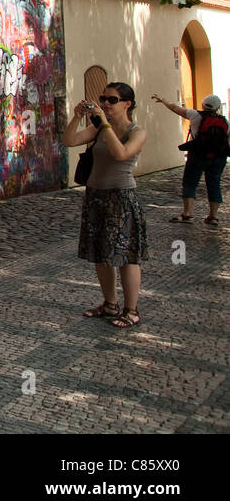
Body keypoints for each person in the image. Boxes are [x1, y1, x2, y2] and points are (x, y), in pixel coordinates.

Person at [64, 83, 147, 328]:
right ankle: (110, 303)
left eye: (112, 100)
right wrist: (77, 117)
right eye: (103, 99)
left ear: (127, 104)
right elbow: (69, 140)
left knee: (126, 256)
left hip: (121, 197)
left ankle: (131, 309)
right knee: (100, 253)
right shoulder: (98, 128)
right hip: (95, 196)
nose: (106, 104)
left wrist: (104, 123)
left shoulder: (136, 131)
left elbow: (121, 153)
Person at [153, 93, 227, 226]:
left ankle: (187, 214)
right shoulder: (225, 121)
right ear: (217, 107)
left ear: (203, 105)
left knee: (190, 182)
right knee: (214, 183)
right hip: (218, 157)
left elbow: (175, 108)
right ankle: (213, 216)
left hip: (198, 154)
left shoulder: (195, 115)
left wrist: (163, 100)